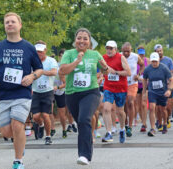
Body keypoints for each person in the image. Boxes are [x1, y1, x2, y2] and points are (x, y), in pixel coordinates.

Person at [0, 12, 43, 169]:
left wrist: (32, 77)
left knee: (17, 124)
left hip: (22, 93)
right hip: (3, 95)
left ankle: (18, 160)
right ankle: (20, 144)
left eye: (12, 21)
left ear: (20, 25)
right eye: (7, 22)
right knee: (6, 132)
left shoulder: (28, 47)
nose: (9, 24)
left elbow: (39, 69)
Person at [59, 28, 110, 165]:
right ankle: (87, 142)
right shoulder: (69, 54)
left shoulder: (95, 54)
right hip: (72, 94)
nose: (82, 41)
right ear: (75, 40)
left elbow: (106, 71)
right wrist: (76, 61)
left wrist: (105, 68)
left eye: (85, 38)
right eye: (79, 38)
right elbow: (62, 70)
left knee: (84, 119)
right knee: (81, 123)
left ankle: (84, 155)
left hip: (91, 92)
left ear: (89, 41)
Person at [101, 40, 131, 143]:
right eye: (107, 48)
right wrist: (103, 73)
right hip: (108, 88)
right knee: (106, 108)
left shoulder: (120, 57)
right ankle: (109, 133)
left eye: (111, 48)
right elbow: (102, 71)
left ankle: (122, 129)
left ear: (116, 49)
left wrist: (115, 72)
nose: (109, 50)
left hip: (121, 88)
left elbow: (128, 72)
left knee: (120, 112)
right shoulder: (103, 58)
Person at [31, 40, 58, 145]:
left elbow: (54, 72)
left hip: (48, 91)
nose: (39, 53)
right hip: (36, 92)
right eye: (37, 51)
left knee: (46, 115)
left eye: (41, 51)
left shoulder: (51, 61)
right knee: (35, 117)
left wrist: (42, 72)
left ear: (45, 50)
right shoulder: (32, 61)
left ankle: (48, 136)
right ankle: (41, 125)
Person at [143, 52, 173, 136]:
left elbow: (171, 79)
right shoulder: (147, 69)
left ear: (159, 60)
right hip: (152, 91)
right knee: (152, 108)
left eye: (156, 61)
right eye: (153, 61)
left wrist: (169, 90)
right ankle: (153, 128)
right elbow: (145, 80)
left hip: (162, 91)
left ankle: (164, 124)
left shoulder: (164, 68)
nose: (154, 63)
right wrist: (144, 92)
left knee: (163, 109)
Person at [122, 42, 145, 137]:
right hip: (122, 84)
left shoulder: (135, 57)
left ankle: (130, 126)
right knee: (123, 105)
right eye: (124, 51)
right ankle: (125, 123)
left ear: (131, 50)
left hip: (132, 83)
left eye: (128, 51)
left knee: (131, 102)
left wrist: (138, 74)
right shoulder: (119, 56)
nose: (126, 53)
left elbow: (142, 65)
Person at [154, 44, 173, 130]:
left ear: (163, 51)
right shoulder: (153, 61)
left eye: (160, 51)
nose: (159, 52)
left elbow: (172, 73)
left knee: (168, 106)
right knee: (158, 107)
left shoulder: (168, 60)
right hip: (157, 87)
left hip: (167, 85)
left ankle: (167, 118)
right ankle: (159, 121)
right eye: (157, 51)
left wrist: (171, 84)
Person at [136, 46, 150, 132]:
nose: (141, 55)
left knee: (144, 104)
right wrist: (137, 77)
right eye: (140, 54)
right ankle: (142, 121)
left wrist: (145, 79)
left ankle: (144, 123)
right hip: (137, 85)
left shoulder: (147, 61)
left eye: (142, 54)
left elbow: (150, 72)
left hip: (146, 85)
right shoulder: (135, 60)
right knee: (139, 106)